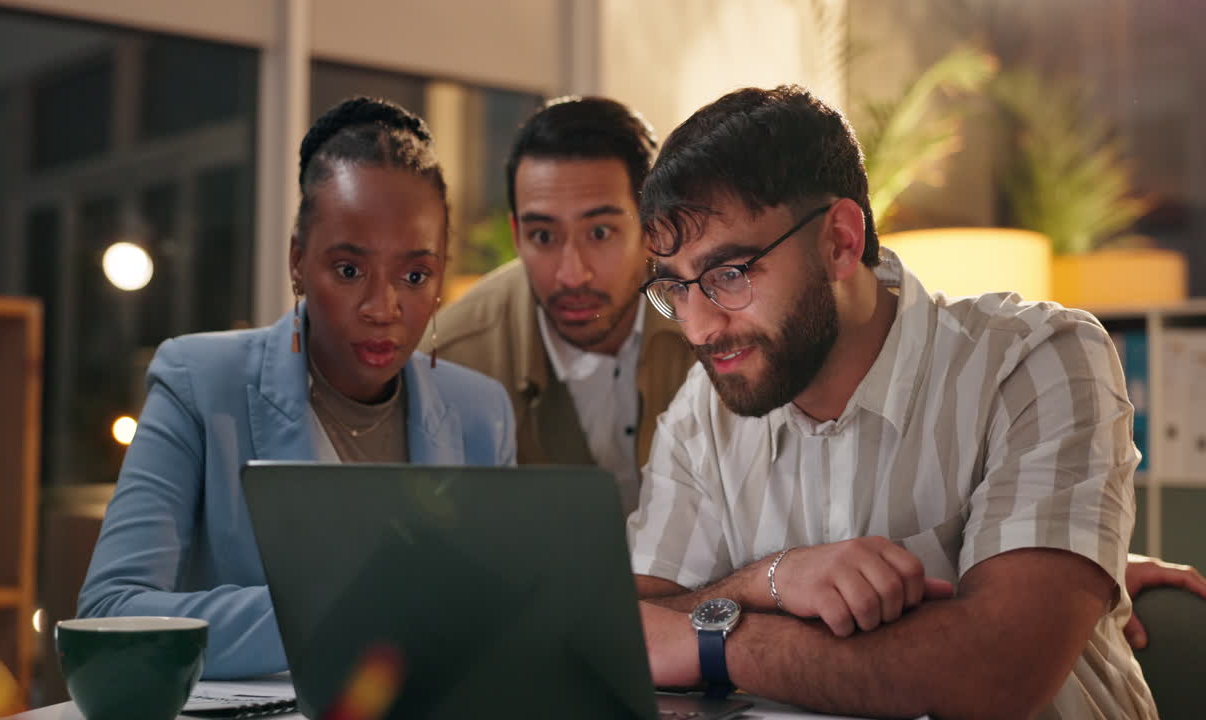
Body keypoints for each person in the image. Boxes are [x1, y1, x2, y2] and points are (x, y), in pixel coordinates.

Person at [628, 85, 1157, 719]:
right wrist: (773, 579)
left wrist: (716, 639)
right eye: (676, 288)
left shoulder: (1035, 360)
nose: (699, 327)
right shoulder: (704, 405)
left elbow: (997, 675)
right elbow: (625, 623)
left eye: (730, 275)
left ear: (841, 242)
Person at [78, 98, 516, 679]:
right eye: (348, 270)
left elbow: (497, 627)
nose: (382, 308)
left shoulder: (481, 414)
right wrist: (342, 614)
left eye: (414, 275)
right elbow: (109, 616)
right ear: (297, 261)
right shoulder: (199, 384)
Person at [432, 96, 693, 513]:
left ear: (653, 229)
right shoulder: (451, 363)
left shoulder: (713, 327)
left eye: (600, 232)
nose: (572, 275)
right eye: (543, 237)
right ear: (516, 235)